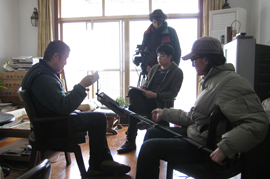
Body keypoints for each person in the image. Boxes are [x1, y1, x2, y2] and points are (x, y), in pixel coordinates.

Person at [135, 36, 269, 179]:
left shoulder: (231, 82)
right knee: (153, 132)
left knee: (149, 148)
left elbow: (258, 122)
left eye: (194, 59)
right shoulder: (211, 80)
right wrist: (165, 113)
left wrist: (226, 147)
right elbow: (195, 116)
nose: (192, 64)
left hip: (206, 148)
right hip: (197, 136)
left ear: (206, 59)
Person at [21, 40, 131, 177]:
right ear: (56, 56)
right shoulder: (44, 79)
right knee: (99, 119)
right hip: (54, 125)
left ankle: (104, 161)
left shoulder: (38, 71)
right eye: (65, 58)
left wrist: (76, 90)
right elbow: (64, 107)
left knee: (97, 118)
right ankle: (97, 166)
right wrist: (81, 86)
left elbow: (55, 100)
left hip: (47, 123)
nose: (66, 62)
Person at [117, 44, 183, 154]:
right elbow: (147, 83)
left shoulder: (177, 72)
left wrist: (155, 95)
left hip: (159, 102)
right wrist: (143, 88)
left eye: (162, 56)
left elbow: (173, 93)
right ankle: (144, 118)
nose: (159, 58)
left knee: (132, 108)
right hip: (147, 99)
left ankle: (131, 141)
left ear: (170, 57)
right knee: (132, 91)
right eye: (158, 55)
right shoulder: (155, 68)